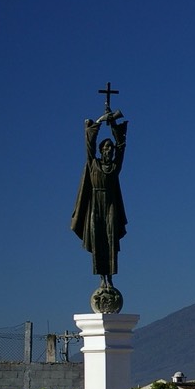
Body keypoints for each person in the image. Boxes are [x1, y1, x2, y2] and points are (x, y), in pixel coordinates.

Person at [72, 110, 128, 289]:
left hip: (110, 204)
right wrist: (99, 121)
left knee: (111, 240)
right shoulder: (93, 164)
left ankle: (110, 278)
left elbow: (122, 147)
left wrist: (113, 125)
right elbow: (89, 144)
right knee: (98, 241)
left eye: (110, 148)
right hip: (95, 204)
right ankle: (101, 278)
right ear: (101, 150)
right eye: (106, 148)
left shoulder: (114, 167)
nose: (109, 151)